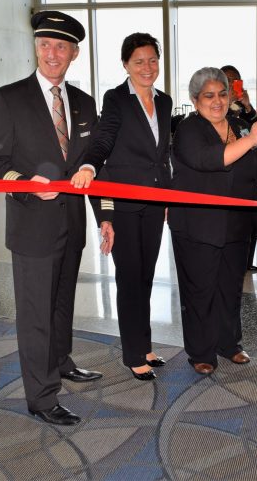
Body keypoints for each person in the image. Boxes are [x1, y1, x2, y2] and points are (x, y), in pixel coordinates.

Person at [0, 11, 103, 426]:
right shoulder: (8, 98)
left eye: (62, 46)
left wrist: (92, 173)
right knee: (36, 313)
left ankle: (62, 360)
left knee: (62, 303)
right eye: (46, 44)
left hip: (72, 225)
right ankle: (42, 396)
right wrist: (25, 182)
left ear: (74, 53)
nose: (53, 53)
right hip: (32, 227)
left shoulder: (84, 104)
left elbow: (90, 160)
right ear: (36, 48)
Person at [70, 32, 172, 381]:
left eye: (153, 60)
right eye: (139, 61)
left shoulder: (165, 101)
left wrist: (169, 196)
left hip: (156, 204)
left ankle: (144, 345)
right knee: (129, 278)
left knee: (145, 276)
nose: (148, 67)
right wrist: (89, 166)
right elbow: (104, 140)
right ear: (126, 64)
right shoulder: (116, 99)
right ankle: (133, 354)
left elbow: (163, 156)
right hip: (126, 205)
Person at [168, 67, 257, 375]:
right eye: (208, 96)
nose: (217, 102)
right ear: (195, 100)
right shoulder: (188, 130)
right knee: (200, 289)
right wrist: (253, 138)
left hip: (237, 225)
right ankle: (200, 351)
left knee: (230, 287)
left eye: (223, 94)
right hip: (197, 226)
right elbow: (211, 159)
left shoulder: (240, 125)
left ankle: (229, 344)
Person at [221, 65, 257, 273]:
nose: (231, 85)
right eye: (227, 80)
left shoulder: (242, 112)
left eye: (235, 81)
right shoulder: (216, 110)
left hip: (248, 181)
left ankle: (246, 260)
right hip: (227, 182)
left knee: (251, 223)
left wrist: (247, 107)